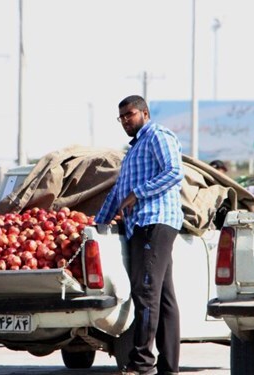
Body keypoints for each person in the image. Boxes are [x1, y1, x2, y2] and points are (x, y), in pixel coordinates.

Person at [94, 95, 184, 375]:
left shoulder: (158, 135)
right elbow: (118, 192)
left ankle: (142, 363)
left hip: (154, 223)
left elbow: (174, 171)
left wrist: (139, 193)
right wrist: (97, 223)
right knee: (163, 298)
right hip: (140, 226)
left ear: (145, 113)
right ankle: (169, 368)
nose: (125, 121)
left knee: (145, 293)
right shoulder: (133, 151)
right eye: (121, 118)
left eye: (129, 115)